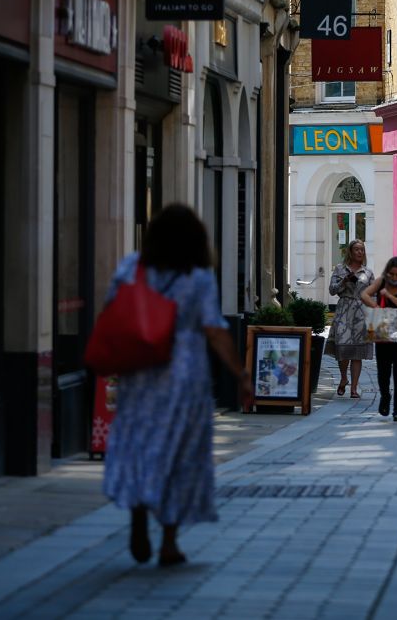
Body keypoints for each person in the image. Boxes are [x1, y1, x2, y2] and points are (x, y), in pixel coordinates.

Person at [101, 204, 254, 567]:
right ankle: (169, 540)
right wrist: (241, 374)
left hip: (140, 370)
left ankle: (139, 510)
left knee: (140, 442)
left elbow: (112, 310)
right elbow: (215, 331)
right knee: (180, 453)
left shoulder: (131, 267)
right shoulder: (197, 277)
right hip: (183, 375)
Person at [360, 257, 397, 422]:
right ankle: (385, 396)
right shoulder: (381, 281)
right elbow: (364, 294)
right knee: (383, 371)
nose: (394, 277)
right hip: (383, 329)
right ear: (387, 272)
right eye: (391, 274)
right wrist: (376, 306)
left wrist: (390, 296)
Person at [327, 239, 374, 398]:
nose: (360, 252)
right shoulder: (340, 269)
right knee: (343, 348)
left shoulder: (368, 273)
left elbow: (373, 294)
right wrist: (344, 280)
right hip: (344, 310)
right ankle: (343, 378)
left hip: (361, 312)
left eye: (362, 250)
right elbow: (332, 290)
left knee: (357, 352)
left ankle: (354, 388)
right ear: (350, 252)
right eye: (356, 250)